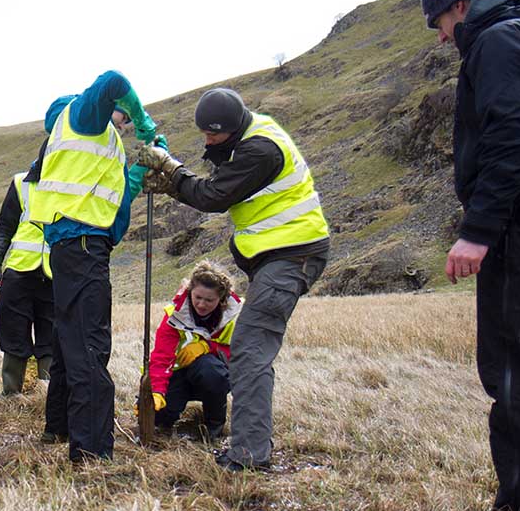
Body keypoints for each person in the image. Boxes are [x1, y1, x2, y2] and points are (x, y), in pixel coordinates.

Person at [138, 87, 330, 471]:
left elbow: (214, 196)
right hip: (278, 256)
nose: (207, 142)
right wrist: (176, 180)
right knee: (249, 350)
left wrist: (173, 172)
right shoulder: (252, 133)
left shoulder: (261, 150)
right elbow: (218, 184)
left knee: (249, 349)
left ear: (231, 127)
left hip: (293, 255)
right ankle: (251, 444)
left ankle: (249, 453)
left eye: (212, 135)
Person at [421, 0, 520, 511]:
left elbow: (511, 136)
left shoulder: (498, 40)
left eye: (440, 22)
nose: (441, 37)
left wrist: (478, 230)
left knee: (517, 368)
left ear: (459, 5)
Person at [27, 69, 161, 461]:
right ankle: (92, 451)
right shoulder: (82, 117)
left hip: (76, 247)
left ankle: (61, 427)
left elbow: (113, 201)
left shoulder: (91, 143)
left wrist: (139, 169)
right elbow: (113, 80)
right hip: (82, 247)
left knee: (71, 342)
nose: (120, 119)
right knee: (90, 345)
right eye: (119, 114)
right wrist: (144, 121)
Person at [147, 260, 241, 444]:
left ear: (221, 299)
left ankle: (213, 427)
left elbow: (240, 354)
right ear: (190, 292)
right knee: (158, 416)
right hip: (178, 375)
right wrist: (156, 391)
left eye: (209, 300)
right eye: (197, 297)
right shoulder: (175, 315)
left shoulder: (235, 316)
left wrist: (208, 347)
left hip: (213, 377)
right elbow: (161, 356)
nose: (201, 304)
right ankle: (164, 422)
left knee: (210, 370)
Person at [0, 171, 54, 395]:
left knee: (52, 337)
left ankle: (47, 395)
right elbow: (5, 227)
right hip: (19, 272)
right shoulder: (21, 183)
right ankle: (11, 394)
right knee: (13, 332)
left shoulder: (70, 181)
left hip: (54, 275)